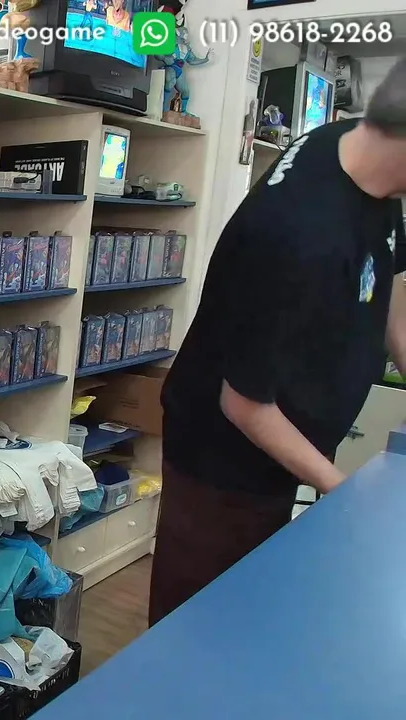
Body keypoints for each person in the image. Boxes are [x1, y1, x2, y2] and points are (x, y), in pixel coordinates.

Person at [150, 56, 406, 626]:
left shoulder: (363, 154)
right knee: (196, 627)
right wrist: (348, 493)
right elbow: (245, 405)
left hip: (291, 436)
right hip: (224, 459)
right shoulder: (294, 234)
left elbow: (388, 280)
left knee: (256, 607)